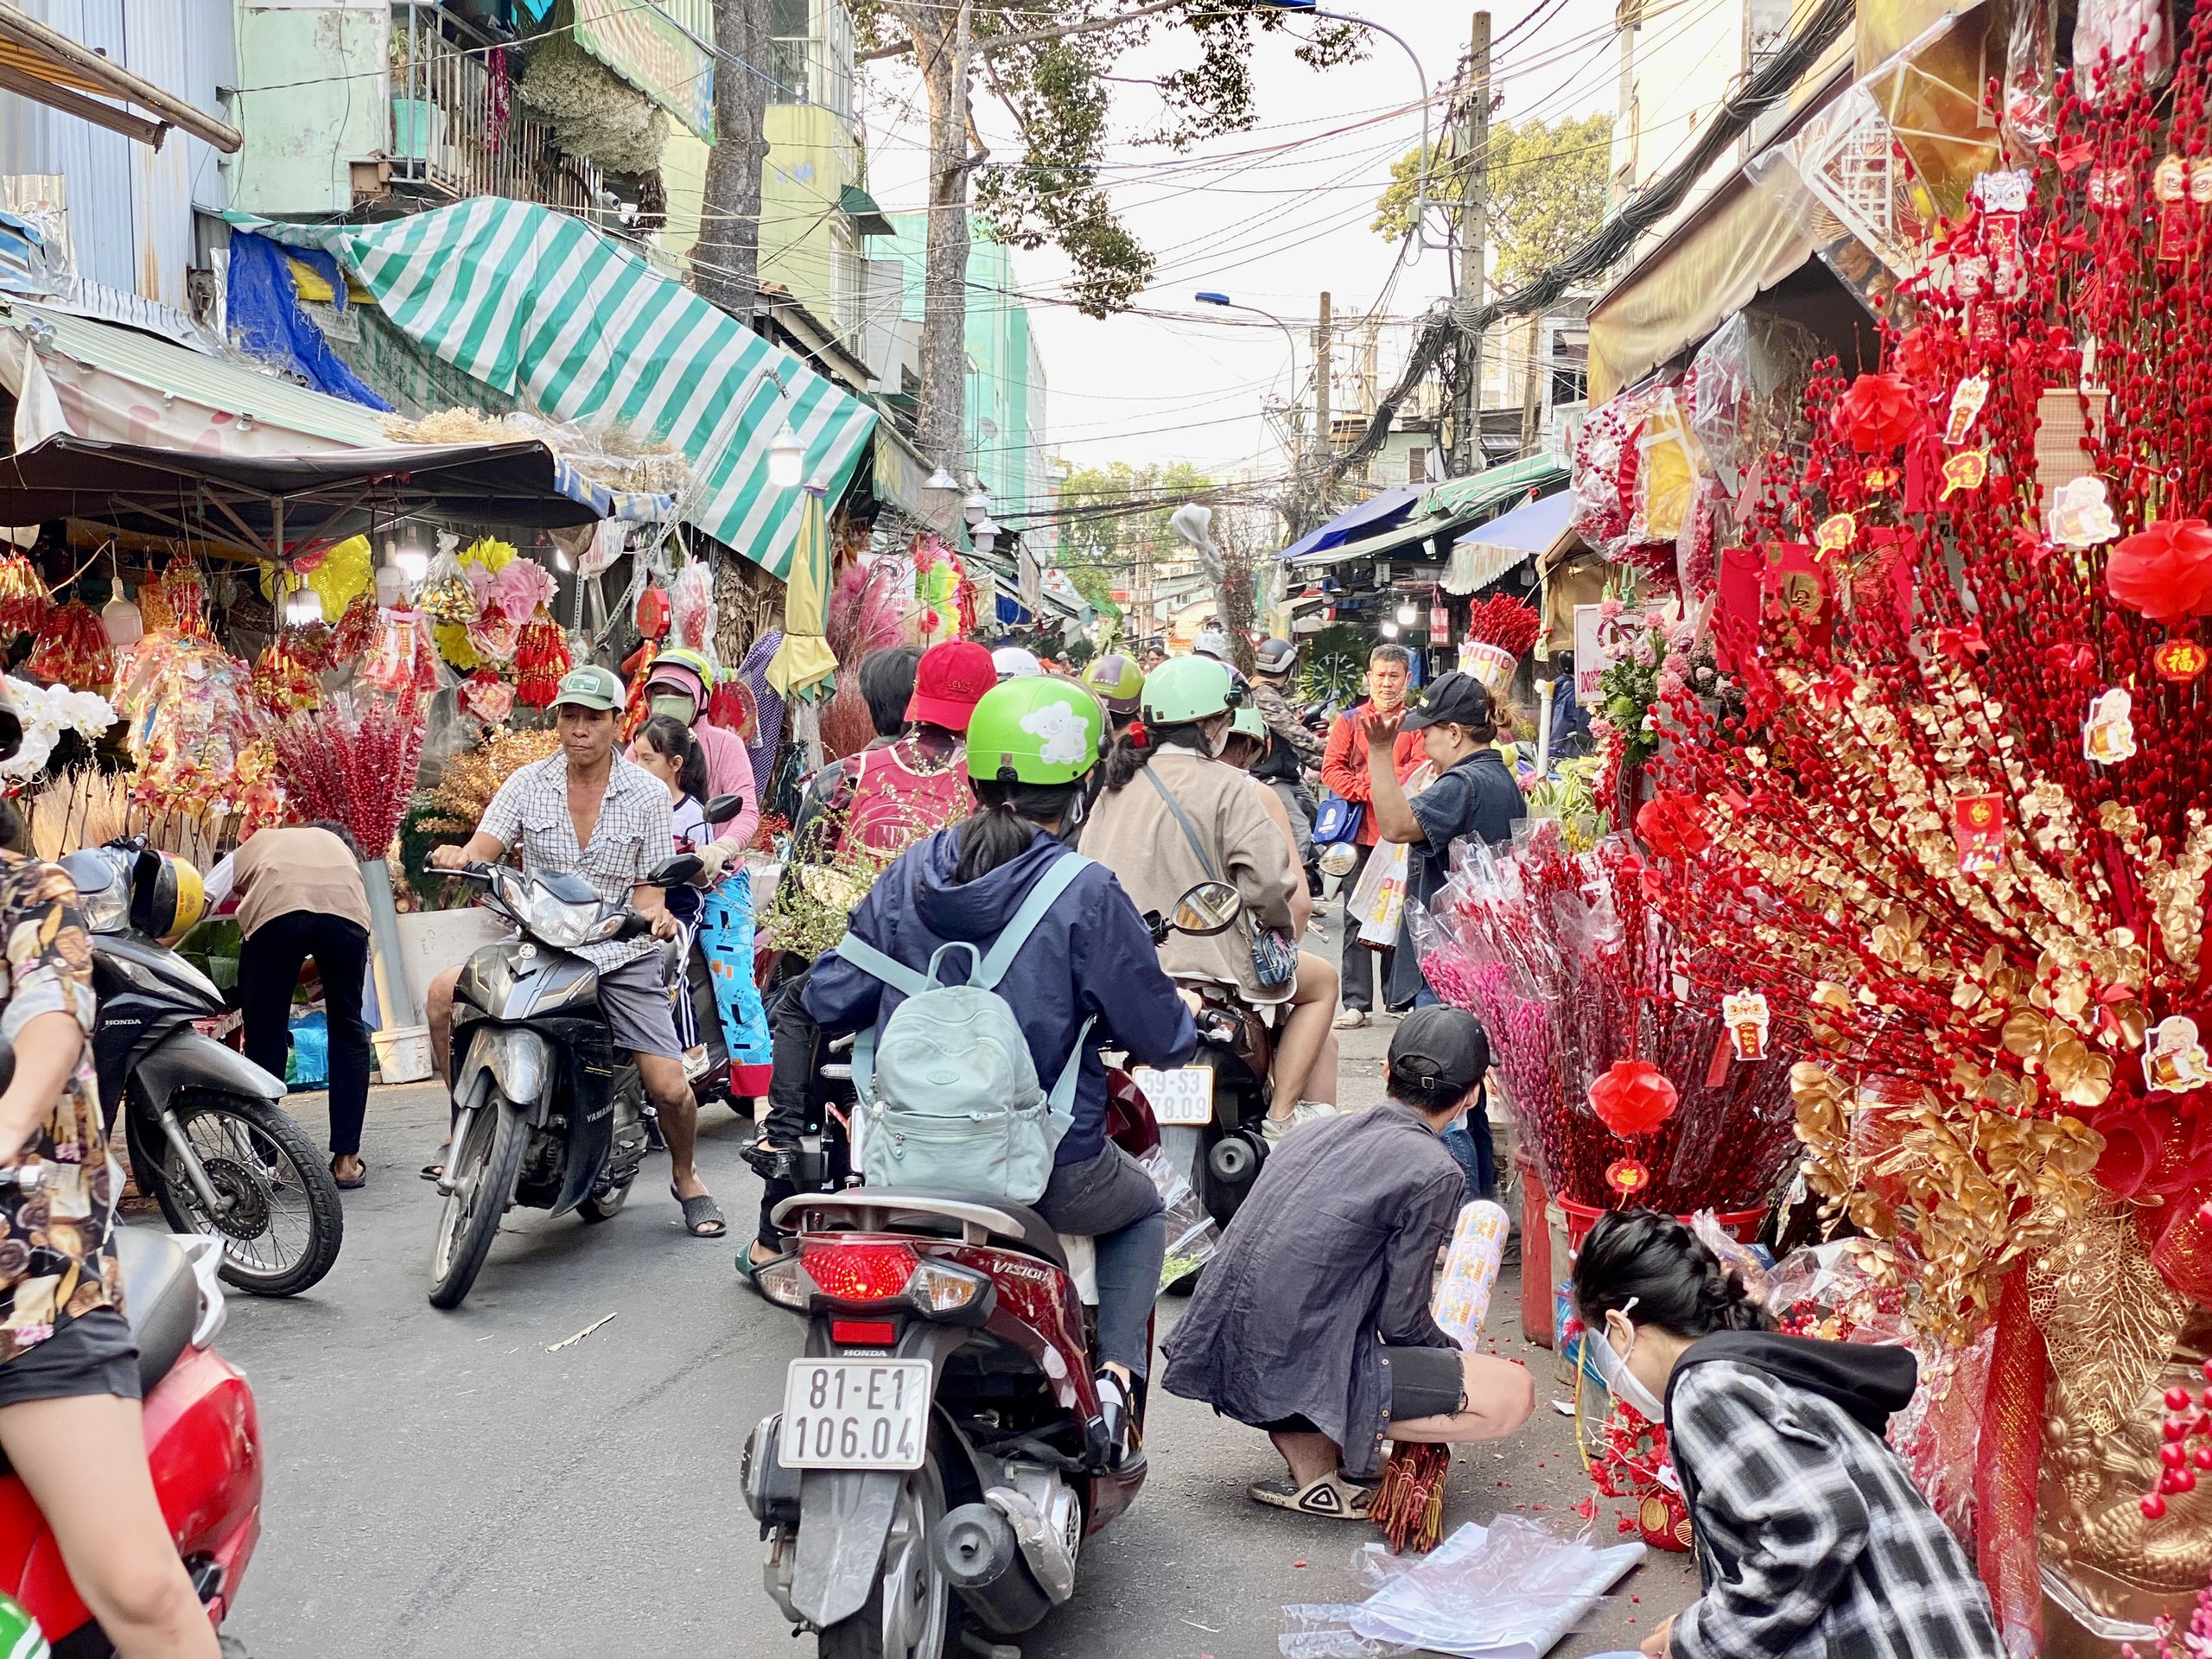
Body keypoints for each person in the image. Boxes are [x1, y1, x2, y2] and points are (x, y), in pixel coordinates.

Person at [804, 677, 1197, 1455]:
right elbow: (1165, 1039)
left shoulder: (907, 874)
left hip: (901, 1169)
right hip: (1045, 1173)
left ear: (975, 777)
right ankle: (1114, 1384)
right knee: (1143, 1210)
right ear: (1081, 791)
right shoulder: (1085, 892)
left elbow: (826, 999)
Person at [0, 777, 223, 1657]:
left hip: (30, 1284)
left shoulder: (30, 895)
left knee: (139, 1592)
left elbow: (50, 1025)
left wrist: (10, 1121)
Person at [1573, 1211, 2003, 1659]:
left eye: (1602, 1348)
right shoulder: (1762, 1368)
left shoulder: (1706, 1386)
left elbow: (1817, 1526)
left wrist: (1699, 1640)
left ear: (1620, 1328)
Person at [1162, 1006, 1535, 1516]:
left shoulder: (1313, 1131)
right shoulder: (1435, 1169)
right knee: (1513, 1392)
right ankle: (1324, 1422)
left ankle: (1314, 1462)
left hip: (1224, 1351)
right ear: (1473, 1094)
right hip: (1285, 1369)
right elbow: (1400, 1322)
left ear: (1386, 1071)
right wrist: (1450, 1352)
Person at [426, 665, 724, 1237]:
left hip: (619, 954)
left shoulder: (646, 794)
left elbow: (650, 888)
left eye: (593, 718)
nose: (579, 728)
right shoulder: (526, 783)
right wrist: (459, 856)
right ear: (557, 720)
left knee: (668, 1086)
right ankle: (464, 1120)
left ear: (617, 723)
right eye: (570, 716)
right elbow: (482, 848)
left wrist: (653, 912)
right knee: (443, 995)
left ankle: (687, 1177)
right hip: (539, 946)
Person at [742, 639, 993, 1277]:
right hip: (971, 982)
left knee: (795, 1005)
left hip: (863, 979)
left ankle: (780, 1174)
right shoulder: (991, 784)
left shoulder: (840, 779)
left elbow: (800, 887)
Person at [1081, 656, 1339, 1139]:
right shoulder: (1232, 787)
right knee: (1323, 981)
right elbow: (1268, 886)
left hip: (1127, 969)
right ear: (1211, 726)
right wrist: (1277, 928)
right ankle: (1282, 1116)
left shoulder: (1113, 786)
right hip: (1215, 969)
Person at [1361, 671, 1524, 1198]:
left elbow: (1397, 826)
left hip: (1453, 965)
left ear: (1454, 733)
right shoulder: (1499, 779)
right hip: (1482, 961)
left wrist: (1381, 753)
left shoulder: (1464, 783)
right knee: (1466, 1096)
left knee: (1440, 1103)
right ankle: (1481, 1215)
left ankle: (1456, 1222)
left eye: (1429, 732)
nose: (1423, 743)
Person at [207, 821, 375, 1188]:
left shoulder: (257, 844)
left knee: (266, 1035)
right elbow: (326, 922)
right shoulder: (338, 850)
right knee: (348, 1029)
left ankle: (265, 1162)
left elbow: (202, 897)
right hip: (346, 915)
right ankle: (346, 1162)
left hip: (276, 917)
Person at [1219, 708, 1336, 1107]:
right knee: (1323, 986)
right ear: (1255, 747)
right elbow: (1297, 902)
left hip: (1159, 960)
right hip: (1233, 964)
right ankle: (1283, 1116)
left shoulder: (1135, 788)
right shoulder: (1253, 793)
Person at [1320, 644, 1424, 1028]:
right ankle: (1356, 1003)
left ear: (1407, 680)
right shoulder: (1349, 721)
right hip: (1360, 834)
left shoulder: (1415, 724)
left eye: (1394, 675)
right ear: (1369, 678)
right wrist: (1373, 789)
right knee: (1355, 916)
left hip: (1402, 834)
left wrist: (1371, 783)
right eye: (1380, 675)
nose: (1386, 683)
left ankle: (1398, 999)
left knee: (1400, 918)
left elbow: (1416, 770)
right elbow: (1331, 768)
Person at [632, 714, 715, 1077]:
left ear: (675, 764)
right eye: (635, 757)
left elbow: (704, 876)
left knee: (669, 951)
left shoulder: (694, 814)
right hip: (637, 899)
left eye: (647, 758)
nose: (637, 766)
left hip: (681, 901)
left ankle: (693, 1048)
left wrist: (686, 862)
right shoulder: (627, 804)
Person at [631, 645, 760, 859]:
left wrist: (722, 849)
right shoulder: (642, 743)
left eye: (679, 694)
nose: (668, 700)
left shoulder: (727, 745)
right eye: (660, 693)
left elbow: (746, 811)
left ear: (701, 698)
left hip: (715, 871)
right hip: (646, 869)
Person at [1249, 637, 1322, 885]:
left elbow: (1289, 741)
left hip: (1289, 775)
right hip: (1271, 779)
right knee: (1299, 830)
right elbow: (1291, 730)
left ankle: (1309, 885)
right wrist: (1328, 747)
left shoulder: (1273, 693)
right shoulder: (1262, 693)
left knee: (1319, 819)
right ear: (1288, 670)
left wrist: (1328, 763)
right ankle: (1293, 896)